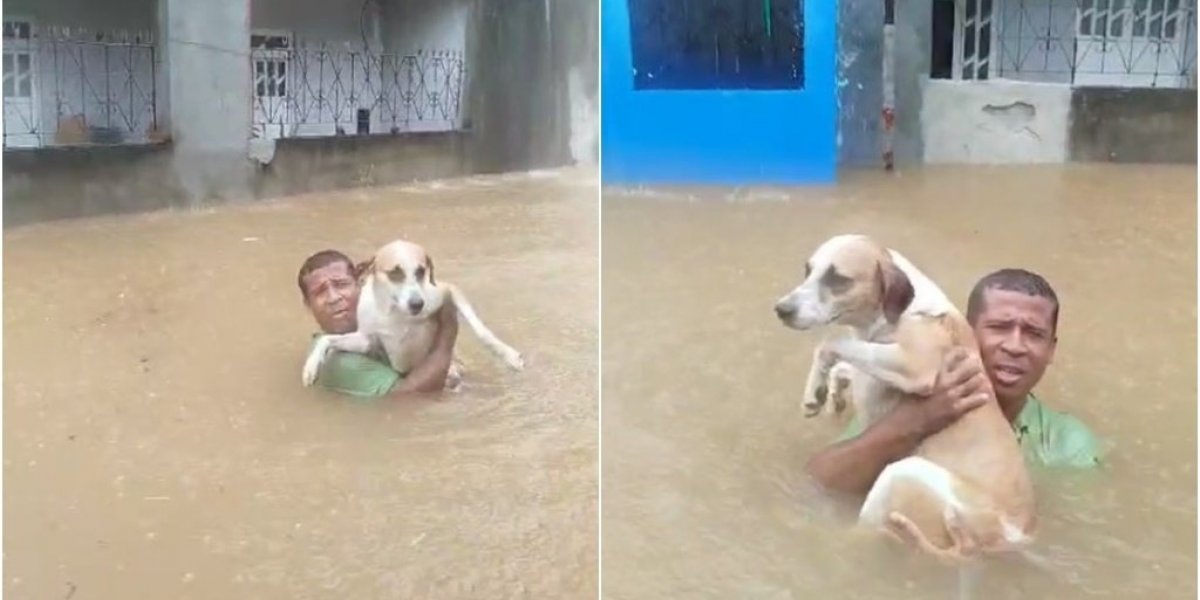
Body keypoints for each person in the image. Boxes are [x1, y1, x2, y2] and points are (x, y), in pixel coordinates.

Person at [805, 268, 1103, 498]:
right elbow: (819, 482)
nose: (1015, 346)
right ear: (965, 333)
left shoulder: (1067, 444)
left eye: (1033, 334)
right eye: (999, 327)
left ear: (1051, 350)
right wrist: (916, 421)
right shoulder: (903, 400)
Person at [296, 249, 459, 398]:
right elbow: (409, 398)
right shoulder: (335, 360)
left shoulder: (385, 320)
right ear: (309, 305)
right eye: (320, 292)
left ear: (362, 284)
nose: (334, 298)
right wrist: (448, 328)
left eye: (341, 285)